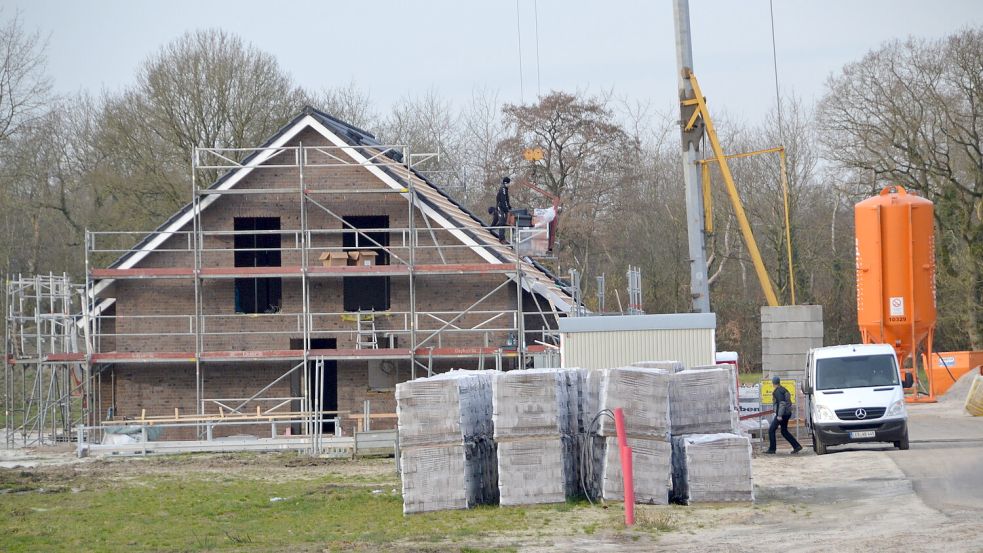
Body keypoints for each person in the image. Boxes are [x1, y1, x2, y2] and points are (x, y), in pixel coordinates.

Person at [766, 375, 803, 454]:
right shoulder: (784, 389)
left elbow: (782, 403)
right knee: (784, 431)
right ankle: (796, 446)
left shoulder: (778, 391)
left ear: (773, 383)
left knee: (771, 430)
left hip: (782, 414)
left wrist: (779, 415)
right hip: (787, 413)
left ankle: (772, 449)